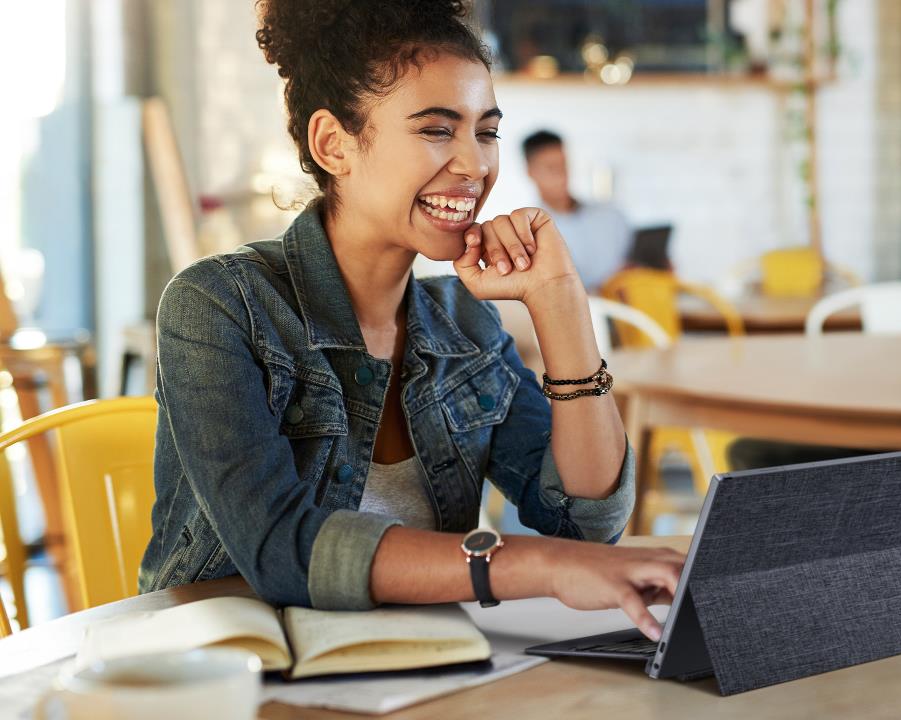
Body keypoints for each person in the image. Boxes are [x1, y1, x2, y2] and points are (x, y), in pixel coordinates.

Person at [138, 0, 683, 642]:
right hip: (229, 665)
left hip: (415, 659)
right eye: (436, 130)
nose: (476, 166)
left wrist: (560, 301)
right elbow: (280, 549)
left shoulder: (466, 324)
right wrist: (535, 565)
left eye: (486, 132)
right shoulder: (220, 305)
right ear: (333, 144)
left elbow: (586, 524)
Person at [522, 130, 632, 291]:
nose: (561, 175)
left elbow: (633, 257)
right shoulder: (530, 234)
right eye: (551, 168)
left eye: (563, 165)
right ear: (530, 173)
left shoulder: (612, 215)